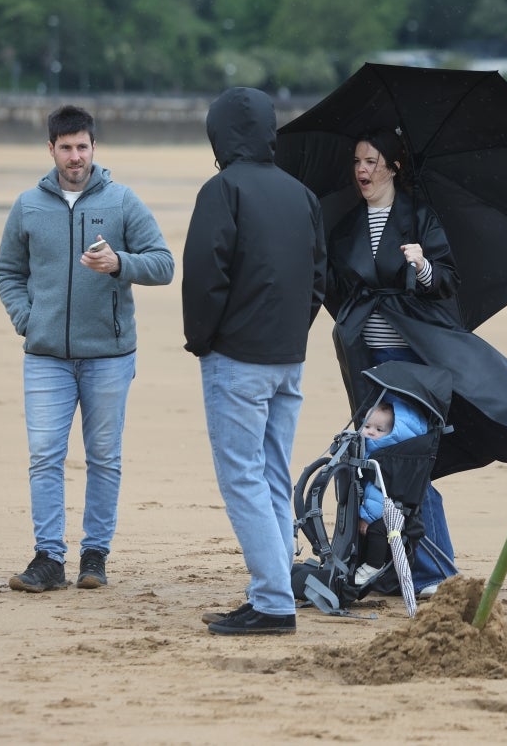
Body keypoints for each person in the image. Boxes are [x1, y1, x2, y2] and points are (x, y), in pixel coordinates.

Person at [321, 129, 507, 597]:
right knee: (366, 461)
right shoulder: (346, 227)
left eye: (373, 161)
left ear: (394, 167)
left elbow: (446, 282)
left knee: (405, 465)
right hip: (368, 364)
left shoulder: (421, 218)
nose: (363, 170)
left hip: (412, 365)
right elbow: (340, 291)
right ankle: (386, 566)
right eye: (358, 161)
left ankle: (433, 573)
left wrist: (420, 267)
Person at [0, 105, 174, 593]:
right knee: (44, 456)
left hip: (110, 357)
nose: (75, 156)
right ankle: (49, 558)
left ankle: (94, 557)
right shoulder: (28, 205)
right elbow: (8, 272)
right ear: (50, 149)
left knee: (104, 457)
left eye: (83, 146)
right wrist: (27, 320)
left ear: (94, 147)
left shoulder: (121, 202)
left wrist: (120, 263)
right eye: (66, 147)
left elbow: (163, 264)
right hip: (46, 356)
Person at [183, 87, 326, 636]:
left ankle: (272, 600)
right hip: (287, 357)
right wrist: (292, 330)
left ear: (218, 136)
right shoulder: (301, 195)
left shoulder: (222, 190)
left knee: (241, 475)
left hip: (237, 357)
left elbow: (205, 274)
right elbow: (318, 278)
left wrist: (202, 339)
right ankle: (270, 589)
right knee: (269, 471)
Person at [352, 397, 428, 587]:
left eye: (379, 430)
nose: (370, 432)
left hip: (389, 513)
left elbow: (378, 494)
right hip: (382, 509)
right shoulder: (368, 449)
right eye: (367, 426)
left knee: (378, 530)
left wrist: (367, 518)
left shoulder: (385, 457)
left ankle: (373, 565)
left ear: (391, 434)